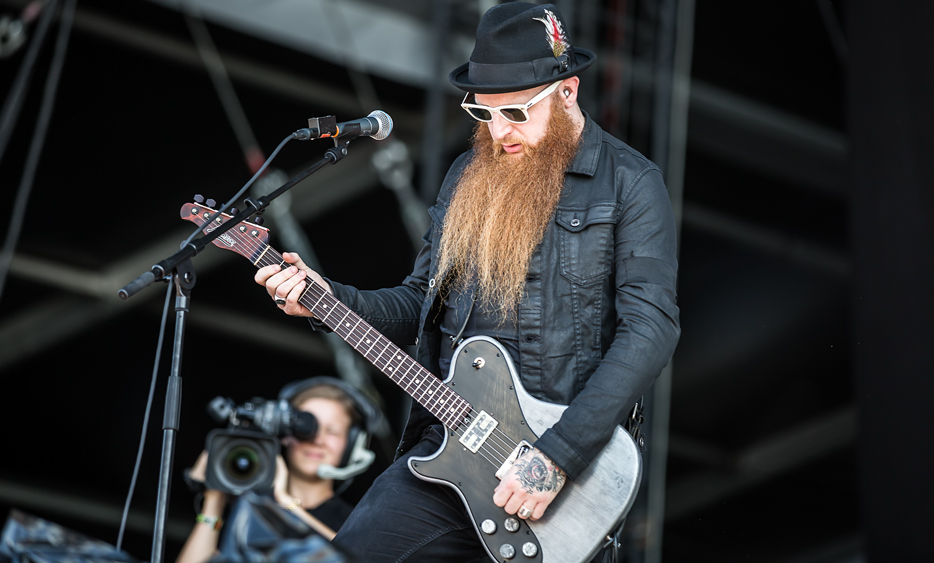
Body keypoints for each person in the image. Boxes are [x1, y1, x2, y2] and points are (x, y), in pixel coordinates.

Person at [255, 3, 680, 561]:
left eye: (516, 112)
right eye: (484, 114)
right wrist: (332, 299)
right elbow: (420, 300)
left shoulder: (630, 183)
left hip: (561, 472)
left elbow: (649, 330)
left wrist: (557, 456)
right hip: (451, 448)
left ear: (567, 91)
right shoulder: (467, 177)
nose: (499, 131)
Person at [176, 377, 379, 563]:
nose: (317, 440)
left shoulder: (356, 523)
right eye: (305, 427)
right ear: (285, 435)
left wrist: (286, 503)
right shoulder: (246, 508)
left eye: (332, 431)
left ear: (351, 445)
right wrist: (214, 501)